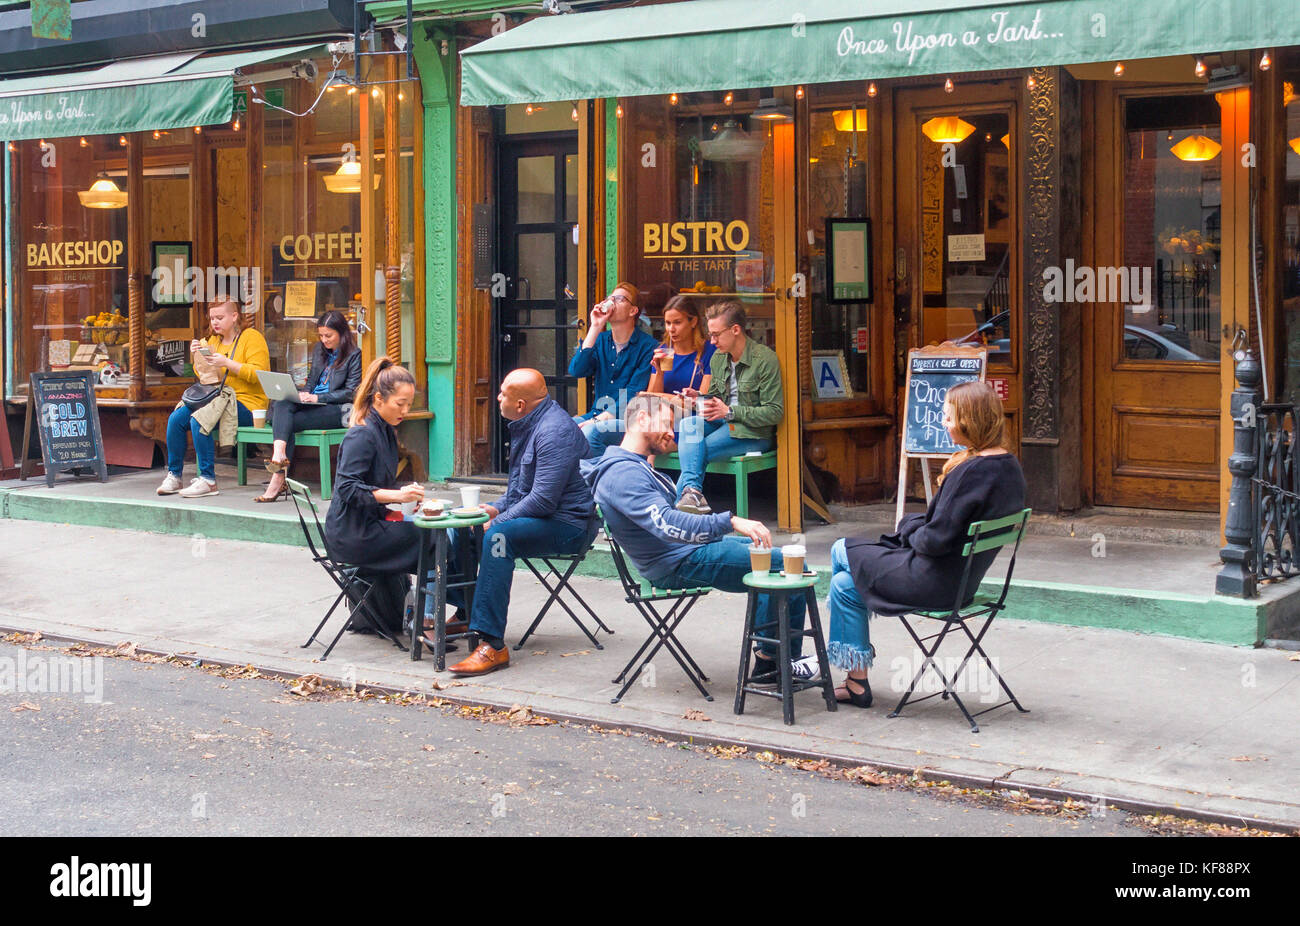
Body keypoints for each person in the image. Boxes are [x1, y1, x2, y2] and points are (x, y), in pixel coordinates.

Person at [820, 381, 1026, 708]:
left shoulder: (971, 472)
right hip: (962, 583)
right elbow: (942, 529)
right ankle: (855, 683)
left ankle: (840, 659)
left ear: (970, 421)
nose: (944, 423)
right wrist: (916, 528)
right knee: (845, 584)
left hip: (933, 580)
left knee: (840, 549)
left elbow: (933, 540)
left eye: (949, 417)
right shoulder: (1009, 466)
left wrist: (906, 526)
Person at [582, 394, 805, 682]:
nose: (671, 432)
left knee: (767, 554)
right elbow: (668, 524)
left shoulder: (631, 465)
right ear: (641, 419)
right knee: (786, 565)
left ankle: (770, 660)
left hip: (681, 553)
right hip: (676, 563)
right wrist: (731, 521)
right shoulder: (623, 475)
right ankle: (779, 664)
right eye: (666, 423)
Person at [446, 368, 598, 677]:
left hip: (569, 527)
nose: (497, 397)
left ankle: (493, 645)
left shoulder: (553, 431)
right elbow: (520, 490)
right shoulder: (530, 421)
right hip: (544, 517)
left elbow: (543, 500)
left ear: (519, 405)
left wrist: (499, 520)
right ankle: (465, 613)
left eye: (503, 393)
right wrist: (494, 508)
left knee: (499, 538)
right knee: (469, 524)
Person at [324, 356, 431, 578]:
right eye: (400, 404)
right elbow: (347, 489)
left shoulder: (386, 430)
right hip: (353, 535)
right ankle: (430, 611)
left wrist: (405, 498)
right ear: (379, 398)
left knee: (440, 534)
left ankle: (429, 607)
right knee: (433, 540)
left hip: (369, 523)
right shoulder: (362, 434)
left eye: (409, 405)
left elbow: (376, 484)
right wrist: (399, 496)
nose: (405, 411)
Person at [675, 300, 783, 514]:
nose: (712, 341)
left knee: (698, 449)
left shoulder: (764, 359)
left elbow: (774, 412)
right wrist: (699, 397)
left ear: (735, 330)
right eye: (710, 334)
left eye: (716, 335)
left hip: (752, 432)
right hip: (721, 422)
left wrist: (730, 412)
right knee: (688, 424)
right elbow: (716, 398)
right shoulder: (718, 358)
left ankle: (672, 511)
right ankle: (693, 494)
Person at [157, 300, 269, 498]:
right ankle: (174, 475)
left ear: (234, 316)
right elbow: (206, 380)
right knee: (176, 419)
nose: (215, 323)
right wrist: (198, 357)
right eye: (212, 318)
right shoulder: (212, 341)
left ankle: (208, 480)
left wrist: (226, 362)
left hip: (247, 404)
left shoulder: (251, 337)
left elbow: (260, 374)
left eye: (220, 318)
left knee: (200, 419)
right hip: (216, 399)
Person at [257, 310, 362, 502]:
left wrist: (318, 397)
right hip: (315, 404)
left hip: (339, 409)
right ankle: (279, 455)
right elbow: (312, 381)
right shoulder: (319, 350)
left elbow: (352, 392)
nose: (324, 340)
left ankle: (278, 476)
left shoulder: (354, 354)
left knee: (285, 420)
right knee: (283, 402)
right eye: (321, 335)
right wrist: (304, 394)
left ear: (342, 333)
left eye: (328, 336)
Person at [568, 281, 656, 459]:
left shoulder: (648, 346)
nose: (612, 302)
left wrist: (596, 421)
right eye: (610, 298)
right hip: (596, 414)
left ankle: (602, 482)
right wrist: (595, 326)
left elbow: (633, 394)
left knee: (591, 432)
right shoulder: (600, 340)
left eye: (620, 299)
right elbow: (577, 370)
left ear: (633, 311)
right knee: (561, 431)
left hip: (628, 419)